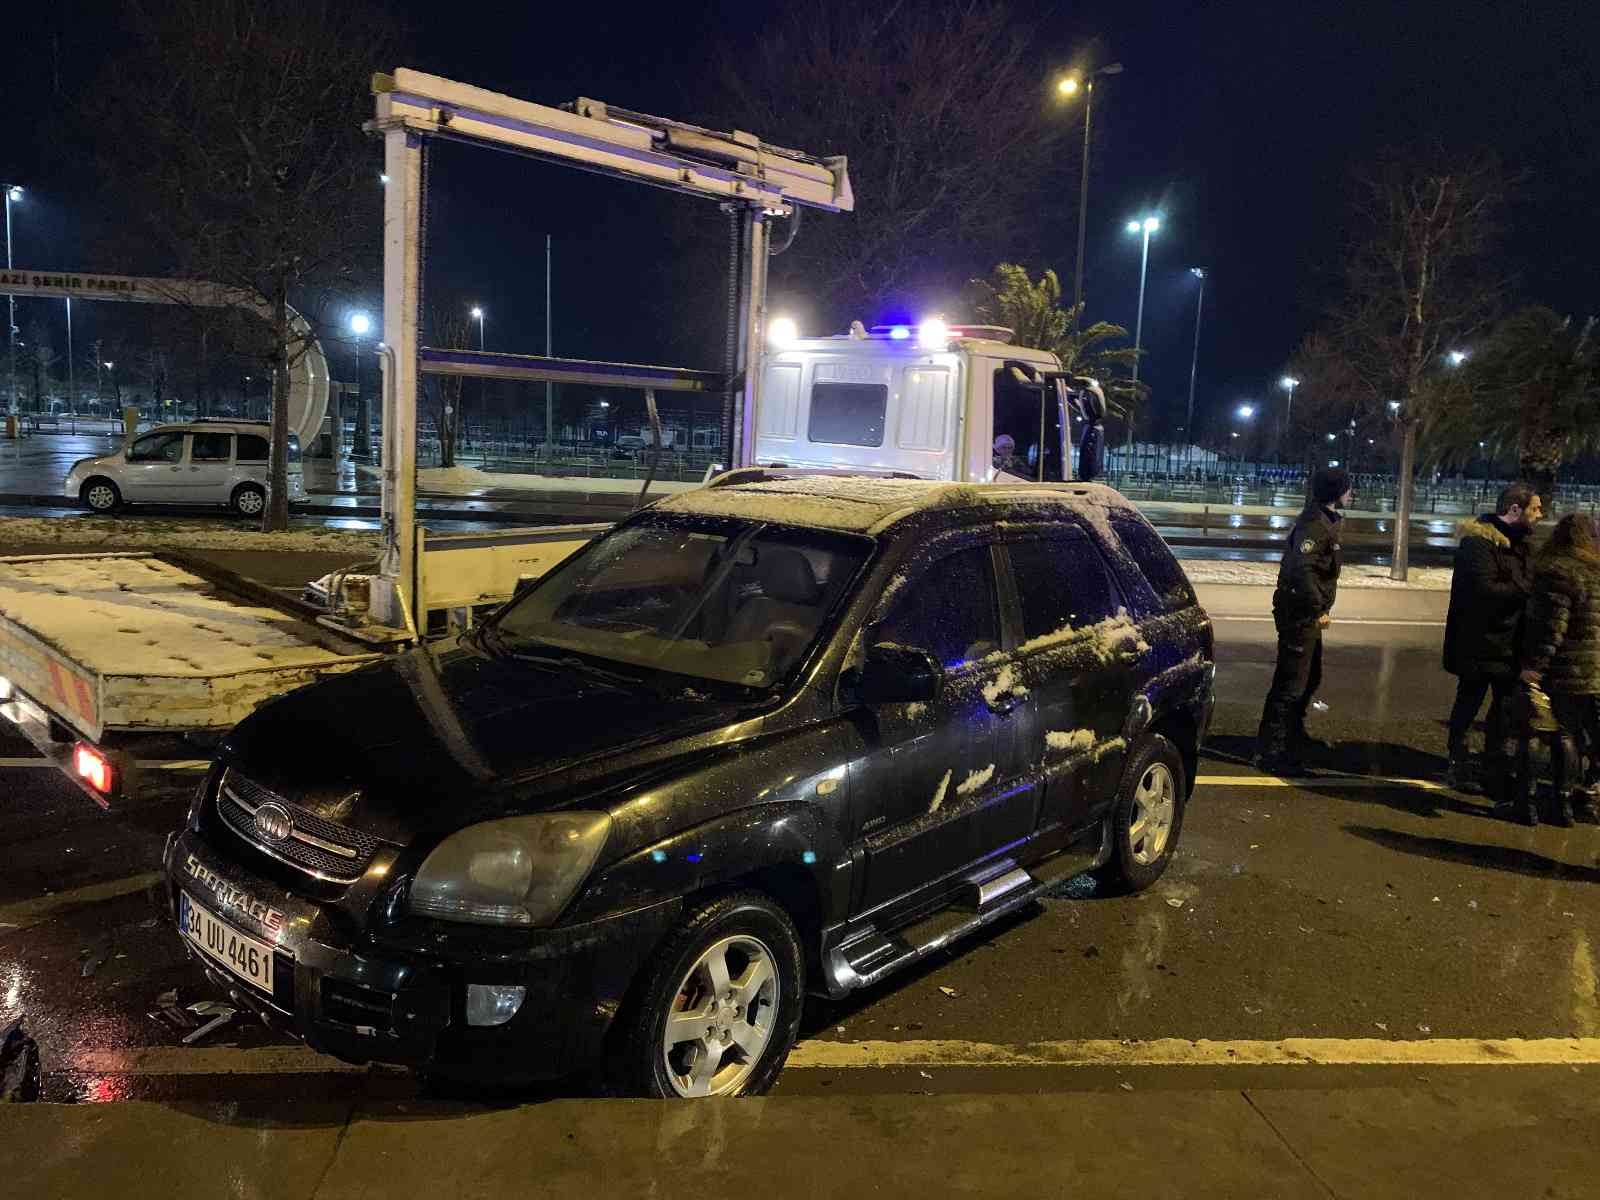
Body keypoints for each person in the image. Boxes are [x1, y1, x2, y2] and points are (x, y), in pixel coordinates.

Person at [1440, 483, 1541, 795]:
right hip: (1479, 644)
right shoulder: (1479, 543)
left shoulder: (1522, 544)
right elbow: (1484, 592)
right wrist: (1526, 589)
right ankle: (1459, 764)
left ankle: (1493, 766)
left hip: (1510, 645)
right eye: (1535, 509)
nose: (1540, 515)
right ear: (1514, 510)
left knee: (1504, 710)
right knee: (1468, 704)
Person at [1254, 466, 1351, 775]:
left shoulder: (1324, 521)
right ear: (1336, 492)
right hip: (1300, 612)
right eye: (1348, 488)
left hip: (1305, 611)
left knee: (1309, 676)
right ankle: (1273, 750)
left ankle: (1292, 736)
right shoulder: (1315, 525)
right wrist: (1317, 607)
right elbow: (1302, 569)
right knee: (1292, 683)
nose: (1352, 493)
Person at [1515, 512, 1600, 827]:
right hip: (1591, 672)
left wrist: (1534, 666)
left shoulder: (1558, 572)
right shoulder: (1594, 572)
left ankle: (1527, 803)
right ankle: (1562, 806)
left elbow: (1552, 628)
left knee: (1534, 732)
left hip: (1562, 667)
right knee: (1569, 735)